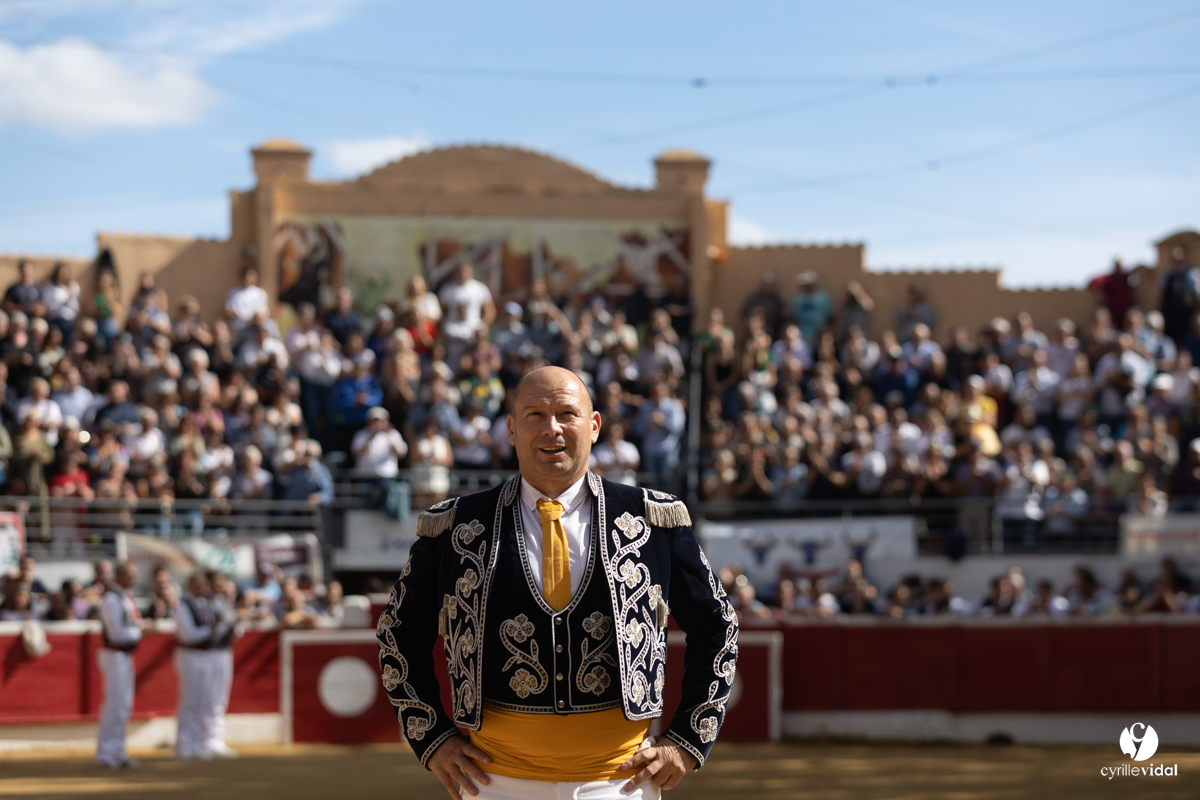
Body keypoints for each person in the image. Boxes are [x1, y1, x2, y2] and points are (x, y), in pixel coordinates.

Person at [377, 366, 738, 800]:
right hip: (494, 783)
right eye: (535, 415)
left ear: (595, 425)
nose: (552, 429)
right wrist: (432, 737)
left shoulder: (651, 519)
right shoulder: (457, 525)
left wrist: (686, 741)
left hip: (619, 783)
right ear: (511, 429)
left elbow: (717, 625)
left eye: (567, 413)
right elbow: (397, 634)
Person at [96, 562, 143, 770]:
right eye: (129, 575)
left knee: (123, 706)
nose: (133, 579)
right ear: (119, 575)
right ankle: (106, 753)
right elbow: (116, 634)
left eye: (135, 575)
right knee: (115, 705)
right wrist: (140, 632)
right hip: (115, 654)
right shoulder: (112, 599)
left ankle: (118, 751)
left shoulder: (123, 597)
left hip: (123, 655)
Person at [173, 572, 215, 760]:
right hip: (190, 655)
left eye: (203, 584)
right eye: (198, 584)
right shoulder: (183, 605)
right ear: (189, 585)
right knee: (190, 700)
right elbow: (188, 635)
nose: (202, 588)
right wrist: (211, 629)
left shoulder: (202, 604)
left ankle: (197, 743)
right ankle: (184, 745)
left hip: (203, 655)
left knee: (201, 700)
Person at [205, 571, 241, 759]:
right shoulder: (206, 603)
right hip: (212, 653)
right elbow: (213, 632)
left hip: (224, 652)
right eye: (216, 581)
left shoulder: (225, 602)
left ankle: (216, 739)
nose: (220, 585)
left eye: (222, 581)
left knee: (220, 698)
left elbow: (237, 630)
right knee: (211, 697)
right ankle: (209, 739)